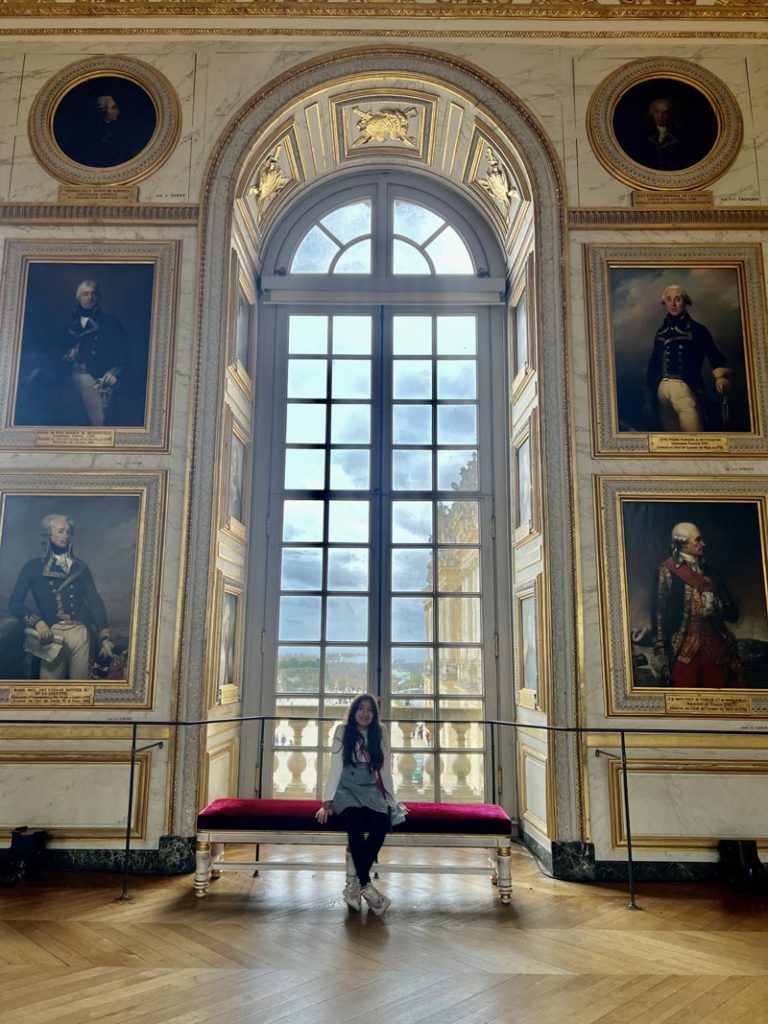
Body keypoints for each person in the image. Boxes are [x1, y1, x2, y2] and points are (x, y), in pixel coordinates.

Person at [315, 694, 397, 915]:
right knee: (355, 822)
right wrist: (327, 802)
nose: (365, 713)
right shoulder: (343, 731)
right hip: (346, 787)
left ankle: (356, 886)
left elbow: (384, 768)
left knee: (381, 824)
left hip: (370, 787)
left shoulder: (380, 731)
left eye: (369, 709)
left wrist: (391, 799)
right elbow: (335, 767)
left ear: (375, 714)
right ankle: (366, 885)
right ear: (353, 711)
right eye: (360, 708)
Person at [8, 514, 114, 681]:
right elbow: (14, 603)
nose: (65, 536)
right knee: (49, 690)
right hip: (50, 635)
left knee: (80, 689)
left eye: (68, 532)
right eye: (60, 531)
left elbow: (94, 602)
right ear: (48, 535)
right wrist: (37, 622)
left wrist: (105, 636)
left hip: (80, 634)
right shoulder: (33, 567)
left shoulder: (81, 567)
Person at [651, 522, 743, 689]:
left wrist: (719, 606)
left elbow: (733, 614)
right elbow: (659, 615)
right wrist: (661, 653)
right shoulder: (666, 571)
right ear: (682, 544)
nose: (703, 544)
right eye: (697, 540)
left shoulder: (712, 571)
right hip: (684, 651)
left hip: (717, 650)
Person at [644, 284, 732, 432]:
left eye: (677, 299)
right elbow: (653, 365)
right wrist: (647, 397)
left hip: (687, 389)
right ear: (664, 302)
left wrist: (720, 377)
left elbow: (714, 355)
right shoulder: (661, 332)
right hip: (662, 393)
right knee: (672, 440)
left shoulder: (698, 330)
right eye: (669, 299)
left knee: (694, 437)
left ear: (685, 302)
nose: (672, 304)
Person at [59, 279, 128, 427]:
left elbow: (123, 352)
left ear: (99, 297)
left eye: (94, 294)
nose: (90, 297)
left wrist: (115, 371)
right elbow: (56, 349)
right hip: (70, 378)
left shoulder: (111, 323)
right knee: (70, 422)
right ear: (79, 297)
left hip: (97, 378)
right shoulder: (68, 322)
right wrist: (67, 354)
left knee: (99, 424)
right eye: (85, 294)